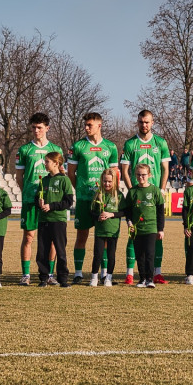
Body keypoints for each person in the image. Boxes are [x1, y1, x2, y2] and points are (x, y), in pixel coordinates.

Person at [67, 112, 119, 284]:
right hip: (84, 199)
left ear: (99, 125)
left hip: (103, 201)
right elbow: (71, 173)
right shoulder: (78, 146)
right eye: (85, 125)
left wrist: (107, 194)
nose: (86, 128)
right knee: (81, 236)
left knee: (104, 238)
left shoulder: (110, 147)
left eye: (90, 125)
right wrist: (80, 189)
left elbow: (114, 174)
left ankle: (103, 274)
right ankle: (78, 273)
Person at [119, 110, 170, 284]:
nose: (144, 125)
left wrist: (162, 189)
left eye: (147, 122)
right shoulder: (130, 143)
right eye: (141, 122)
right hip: (137, 196)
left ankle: (157, 273)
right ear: (137, 122)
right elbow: (124, 170)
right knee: (133, 234)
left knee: (157, 234)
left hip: (155, 195)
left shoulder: (160, 142)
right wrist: (132, 191)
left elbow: (165, 169)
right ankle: (130, 273)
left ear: (152, 123)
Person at [15, 113, 63, 286]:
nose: (36, 131)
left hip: (51, 202)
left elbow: (61, 174)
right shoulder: (24, 150)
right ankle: (26, 274)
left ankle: (49, 274)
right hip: (31, 200)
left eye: (40, 127)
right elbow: (19, 177)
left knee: (52, 240)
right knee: (29, 237)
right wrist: (29, 193)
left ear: (47, 128)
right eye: (34, 127)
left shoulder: (56, 150)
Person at [121, 163, 165, 288]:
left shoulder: (155, 190)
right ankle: (142, 279)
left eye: (144, 175)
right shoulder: (132, 192)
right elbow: (128, 211)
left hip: (151, 228)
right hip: (137, 229)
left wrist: (160, 229)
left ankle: (150, 279)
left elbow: (160, 212)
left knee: (149, 254)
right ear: (135, 175)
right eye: (138, 175)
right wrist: (129, 222)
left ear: (149, 175)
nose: (141, 177)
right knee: (139, 255)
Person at [35, 152, 74, 288]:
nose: (45, 164)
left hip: (58, 220)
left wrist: (51, 206)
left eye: (47, 162)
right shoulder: (43, 180)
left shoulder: (64, 180)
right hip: (43, 220)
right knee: (42, 251)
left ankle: (63, 279)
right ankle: (43, 278)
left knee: (60, 251)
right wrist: (39, 202)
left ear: (56, 163)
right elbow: (37, 198)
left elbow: (68, 202)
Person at [89, 169, 122, 287]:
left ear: (114, 181)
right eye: (104, 181)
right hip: (100, 231)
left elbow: (123, 212)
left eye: (109, 181)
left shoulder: (119, 195)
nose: (107, 184)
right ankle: (94, 277)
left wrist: (111, 214)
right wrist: (98, 216)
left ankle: (108, 277)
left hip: (113, 231)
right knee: (97, 255)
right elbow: (91, 211)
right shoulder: (98, 194)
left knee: (111, 255)